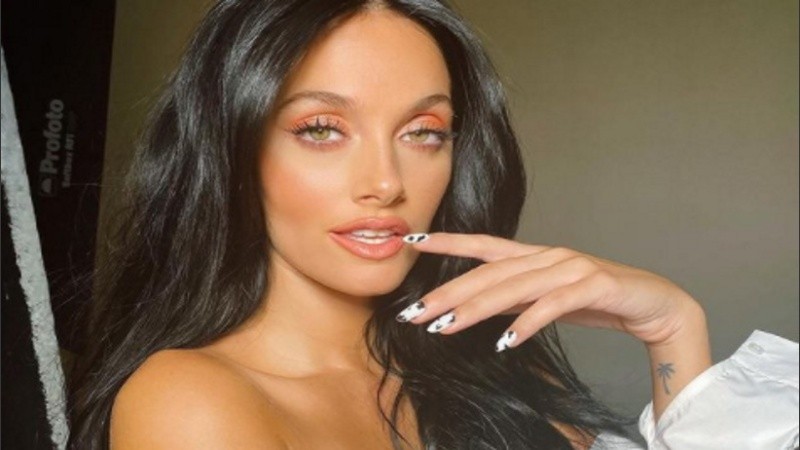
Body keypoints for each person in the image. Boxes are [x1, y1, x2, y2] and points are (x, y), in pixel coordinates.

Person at [66, 1, 798, 449]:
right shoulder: (190, 399)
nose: (387, 183)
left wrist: (672, 327)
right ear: (232, 147)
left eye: (423, 133)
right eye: (321, 129)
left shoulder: (487, 360)